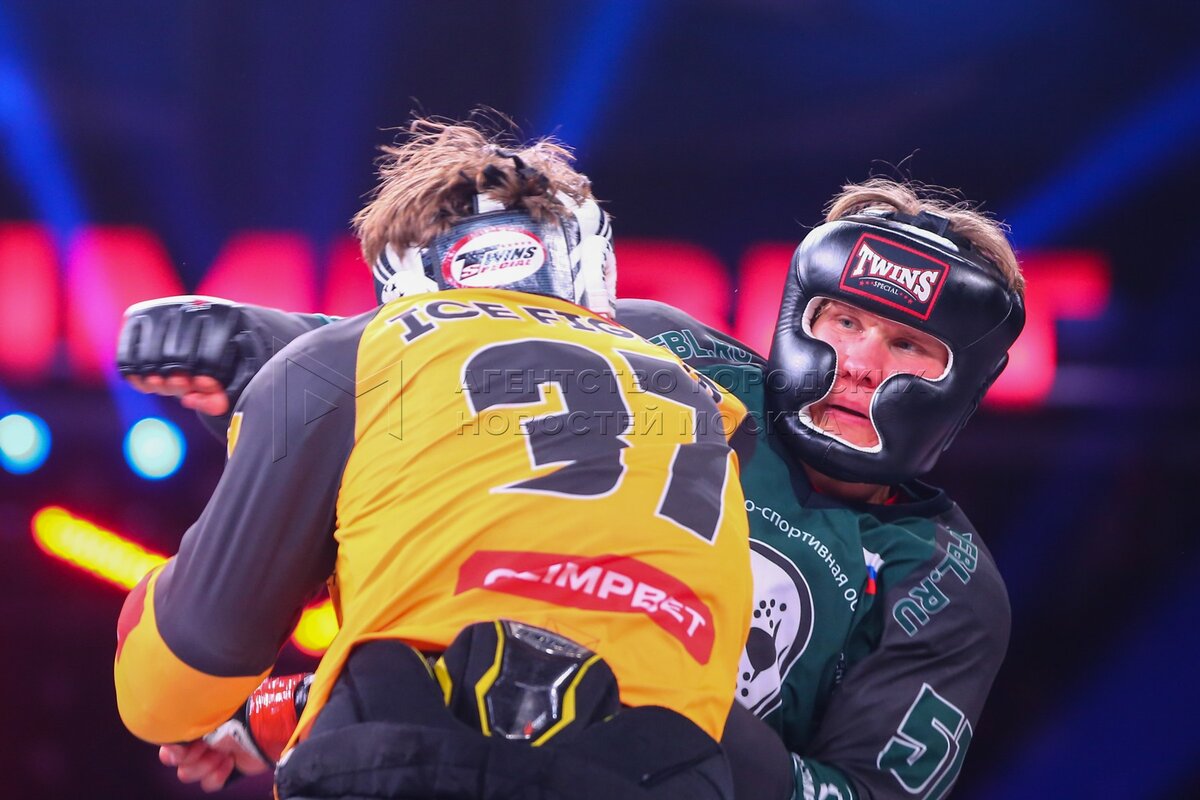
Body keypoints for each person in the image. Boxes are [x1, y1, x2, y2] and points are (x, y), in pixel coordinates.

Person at [121, 178, 1025, 800]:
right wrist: (256, 342)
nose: (860, 364)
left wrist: (637, 699)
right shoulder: (665, 349)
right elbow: (451, 346)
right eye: (845, 320)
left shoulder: (945, 582)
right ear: (799, 314)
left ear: (965, 383)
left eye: (908, 346)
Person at [113, 119, 760, 799]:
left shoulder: (349, 359)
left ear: (400, 277)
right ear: (594, 266)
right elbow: (573, 656)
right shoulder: (710, 400)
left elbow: (179, 681)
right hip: (665, 770)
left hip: (404, 759)